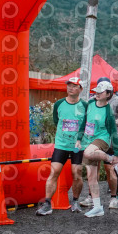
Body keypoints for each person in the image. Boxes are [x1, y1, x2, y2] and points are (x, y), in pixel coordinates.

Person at [37, 77, 87, 216]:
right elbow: (56, 120)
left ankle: (75, 201)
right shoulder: (59, 104)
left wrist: (79, 138)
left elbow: (86, 125)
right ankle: (47, 204)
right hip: (61, 144)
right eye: (69, 85)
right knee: (54, 172)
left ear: (80, 89)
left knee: (76, 173)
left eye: (74, 86)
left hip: (78, 146)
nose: (70, 88)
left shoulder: (85, 105)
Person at [80, 77, 118, 209]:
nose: (98, 92)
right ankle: (91, 197)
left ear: (108, 91)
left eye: (101, 90)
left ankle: (114, 197)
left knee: (109, 169)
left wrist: (111, 124)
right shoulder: (92, 101)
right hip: (92, 138)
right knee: (92, 170)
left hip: (108, 139)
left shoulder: (117, 101)